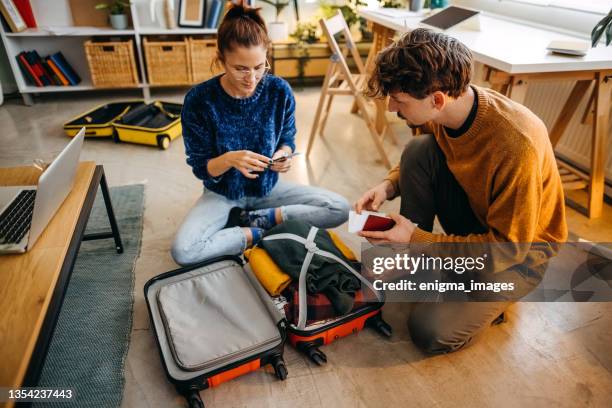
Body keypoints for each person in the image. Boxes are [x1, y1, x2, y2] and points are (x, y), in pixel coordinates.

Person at [354, 29, 567, 354]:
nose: (393, 109)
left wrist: (416, 239)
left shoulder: (515, 145)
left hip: (517, 256)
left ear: (437, 100)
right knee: (418, 149)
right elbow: (424, 146)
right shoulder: (447, 105)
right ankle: (423, 262)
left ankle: (497, 297)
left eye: (399, 101)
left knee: (430, 331)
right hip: (476, 217)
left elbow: (506, 250)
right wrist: (389, 184)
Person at [172, 3, 350, 266]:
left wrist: (284, 154)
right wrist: (230, 159)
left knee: (340, 207)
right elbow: (201, 167)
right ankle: (251, 233)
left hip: (269, 188)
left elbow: (287, 138)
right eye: (240, 68)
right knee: (183, 251)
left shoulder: (279, 91)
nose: (251, 77)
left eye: (259, 66)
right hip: (223, 194)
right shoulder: (199, 100)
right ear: (221, 59)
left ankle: (263, 219)